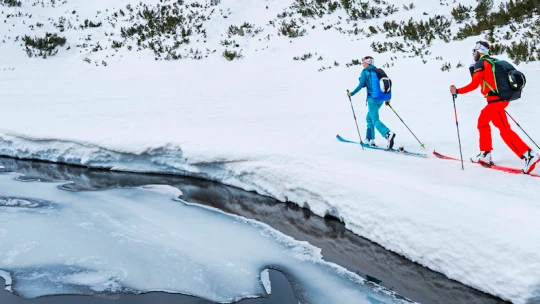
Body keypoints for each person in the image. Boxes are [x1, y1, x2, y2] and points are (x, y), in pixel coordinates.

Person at [450, 41, 540, 174]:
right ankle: (486, 154)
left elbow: (475, 84)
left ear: (478, 52)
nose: (473, 53)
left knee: (488, 125)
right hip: (500, 100)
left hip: (495, 102)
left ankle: (528, 154)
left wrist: (457, 91)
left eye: (474, 51)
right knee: (497, 127)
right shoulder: (493, 62)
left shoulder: (481, 63)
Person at [348, 56, 396, 149]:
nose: (363, 64)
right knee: (369, 118)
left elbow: (360, 85)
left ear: (367, 63)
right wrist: (387, 99)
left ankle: (387, 134)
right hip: (380, 99)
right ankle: (370, 139)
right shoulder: (378, 72)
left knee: (374, 120)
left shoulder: (365, 72)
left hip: (372, 100)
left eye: (363, 63)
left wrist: (351, 93)